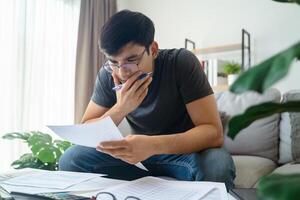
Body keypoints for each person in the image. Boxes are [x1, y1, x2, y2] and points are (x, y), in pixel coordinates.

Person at [59, 10, 236, 190]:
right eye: (114, 62)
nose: (122, 72)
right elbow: (86, 130)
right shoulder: (108, 74)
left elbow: (213, 133)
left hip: (184, 152)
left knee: (217, 165)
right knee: (72, 158)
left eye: (131, 60)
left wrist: (152, 145)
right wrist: (120, 108)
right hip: (136, 155)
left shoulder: (181, 63)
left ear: (153, 49)